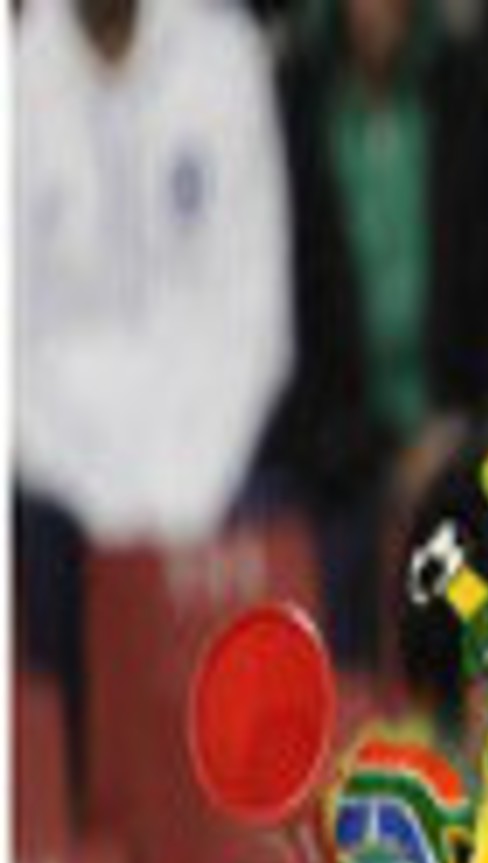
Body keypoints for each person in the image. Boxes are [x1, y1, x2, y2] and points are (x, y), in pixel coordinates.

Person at [15, 0, 292, 746]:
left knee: (282, 518)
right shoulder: (18, 78)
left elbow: (258, 320)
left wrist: (184, 494)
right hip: (60, 482)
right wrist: (104, 502)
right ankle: (77, 789)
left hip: (213, 463)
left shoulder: (225, 59)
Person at [254, 0, 488, 663]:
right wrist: (380, 454)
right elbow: (272, 318)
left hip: (460, 437)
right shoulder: (288, 106)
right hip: (331, 452)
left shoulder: (466, 93)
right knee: (314, 545)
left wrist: (459, 430)